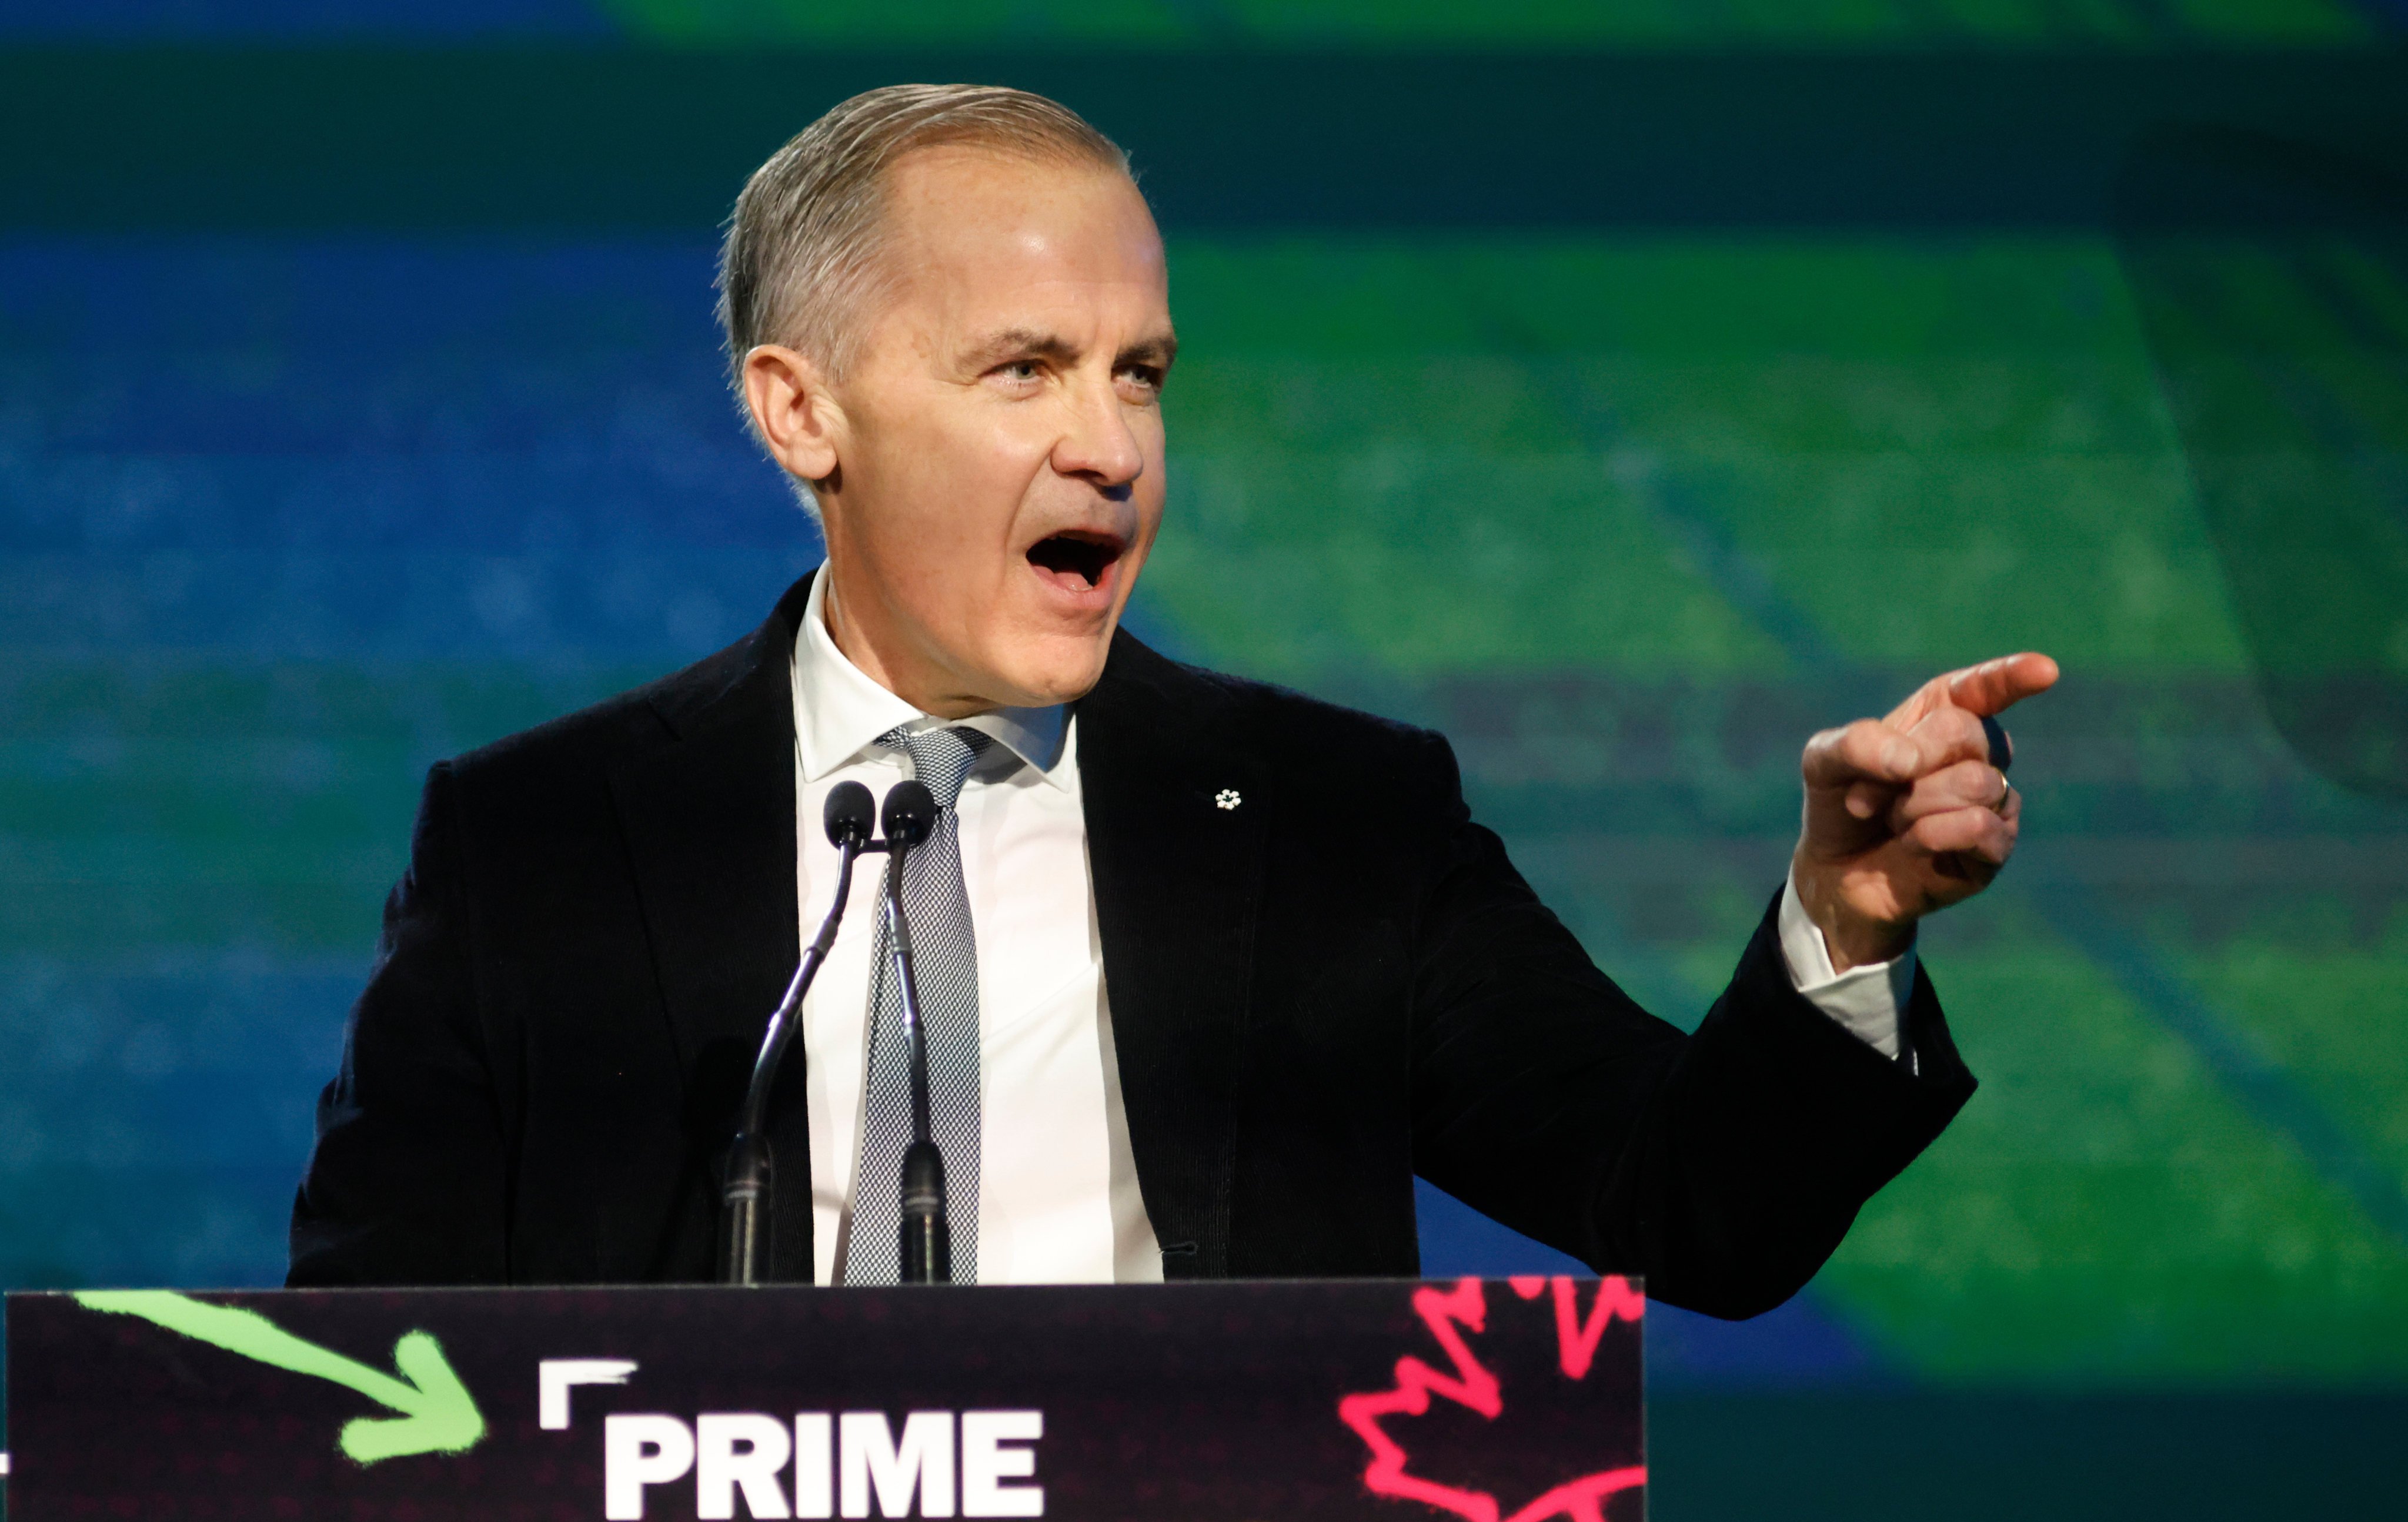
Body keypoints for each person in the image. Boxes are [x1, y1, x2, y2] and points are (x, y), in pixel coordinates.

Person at [288, 85, 2058, 1314]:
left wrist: (1847, 921)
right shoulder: (545, 842)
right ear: (801, 413)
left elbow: (1697, 1210)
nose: (1113, 446)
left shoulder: (1332, 824)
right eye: (1026, 369)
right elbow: (361, 1382)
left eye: (1141, 374)